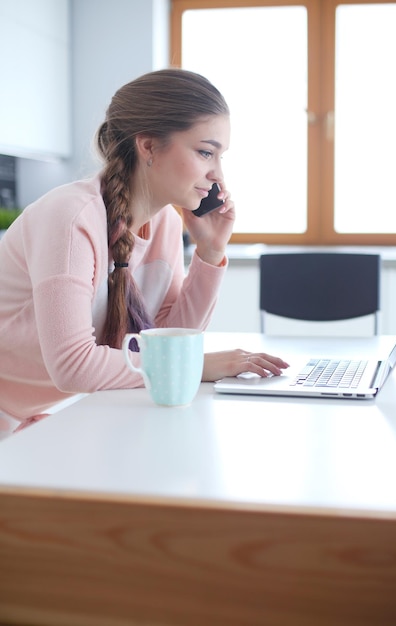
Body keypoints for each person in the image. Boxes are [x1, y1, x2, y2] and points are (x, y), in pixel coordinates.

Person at [0, 68, 288, 435]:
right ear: (149, 146)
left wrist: (210, 252)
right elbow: (73, 365)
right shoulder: (71, 219)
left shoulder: (166, 222)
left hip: (63, 416)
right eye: (205, 152)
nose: (218, 174)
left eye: (220, 157)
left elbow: (168, 338)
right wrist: (197, 365)